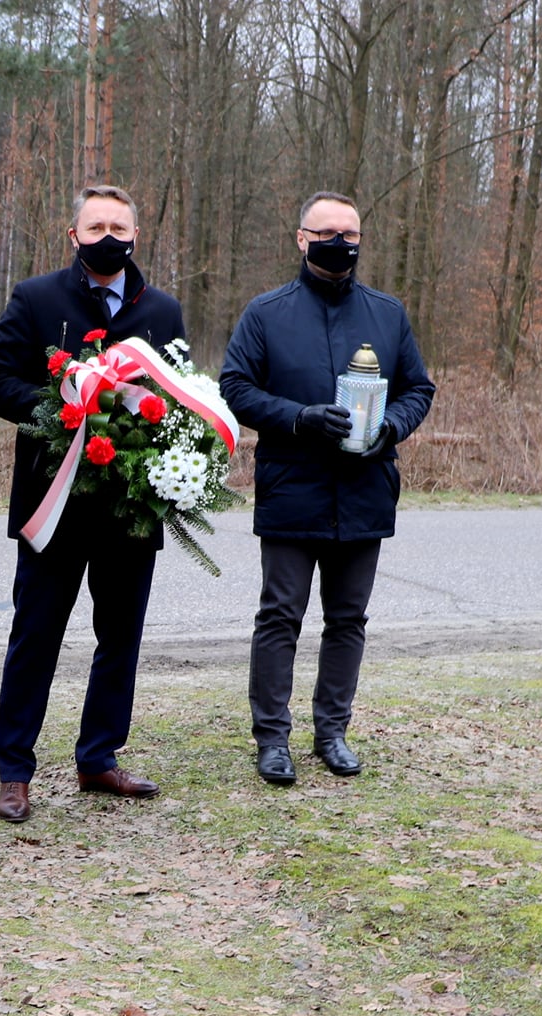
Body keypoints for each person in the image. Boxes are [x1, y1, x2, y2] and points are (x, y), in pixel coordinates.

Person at [0, 185, 186, 824]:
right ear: (74, 235)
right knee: (34, 638)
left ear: (136, 235)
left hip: (130, 508)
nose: (107, 235)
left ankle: (98, 757)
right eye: (94, 225)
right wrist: (62, 403)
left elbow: (182, 396)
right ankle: (15, 771)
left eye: (118, 225)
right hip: (54, 503)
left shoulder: (164, 311)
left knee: (119, 638)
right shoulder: (37, 298)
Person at [219, 191, 435, 786]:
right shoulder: (265, 313)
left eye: (351, 234)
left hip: (365, 488)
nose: (341, 244)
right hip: (293, 487)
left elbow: (419, 388)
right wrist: (297, 417)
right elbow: (235, 386)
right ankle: (272, 739)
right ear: (301, 238)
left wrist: (391, 424)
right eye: (328, 232)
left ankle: (332, 732)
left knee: (347, 619)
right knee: (280, 616)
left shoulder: (387, 314)